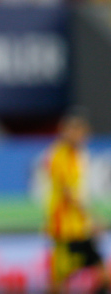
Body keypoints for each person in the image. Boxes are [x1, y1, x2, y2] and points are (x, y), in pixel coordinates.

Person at [44, 114, 110, 294]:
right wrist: (92, 218)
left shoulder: (78, 155)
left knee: (104, 276)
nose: (80, 136)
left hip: (80, 228)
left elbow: (80, 192)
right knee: (58, 282)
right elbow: (68, 194)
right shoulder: (59, 155)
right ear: (65, 132)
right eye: (75, 131)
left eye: (82, 132)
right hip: (65, 229)